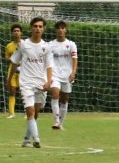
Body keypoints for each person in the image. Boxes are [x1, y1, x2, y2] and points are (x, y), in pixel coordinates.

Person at [10, 17, 54, 148]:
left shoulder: (47, 47)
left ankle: (26, 140)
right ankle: (37, 139)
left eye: (40, 26)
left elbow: (49, 66)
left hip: (41, 83)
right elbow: (14, 62)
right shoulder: (23, 45)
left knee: (35, 112)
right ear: (31, 28)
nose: (37, 29)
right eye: (35, 26)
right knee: (29, 111)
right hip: (26, 83)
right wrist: (9, 79)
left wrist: (49, 81)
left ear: (43, 29)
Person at [48, 21, 78, 130]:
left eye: (62, 28)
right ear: (55, 30)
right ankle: (56, 121)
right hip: (54, 75)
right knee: (55, 94)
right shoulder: (50, 45)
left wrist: (73, 72)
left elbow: (75, 60)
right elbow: (47, 60)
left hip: (67, 75)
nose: (60, 30)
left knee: (64, 99)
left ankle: (61, 123)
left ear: (65, 30)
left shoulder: (71, 44)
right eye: (58, 28)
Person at [4, 24, 23, 119]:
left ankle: (27, 113)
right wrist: (13, 60)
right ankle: (11, 113)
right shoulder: (9, 46)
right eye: (14, 31)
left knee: (25, 91)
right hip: (12, 70)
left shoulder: (25, 44)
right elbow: (7, 59)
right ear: (12, 33)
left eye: (18, 30)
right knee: (12, 91)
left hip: (23, 71)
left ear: (21, 32)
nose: (16, 32)